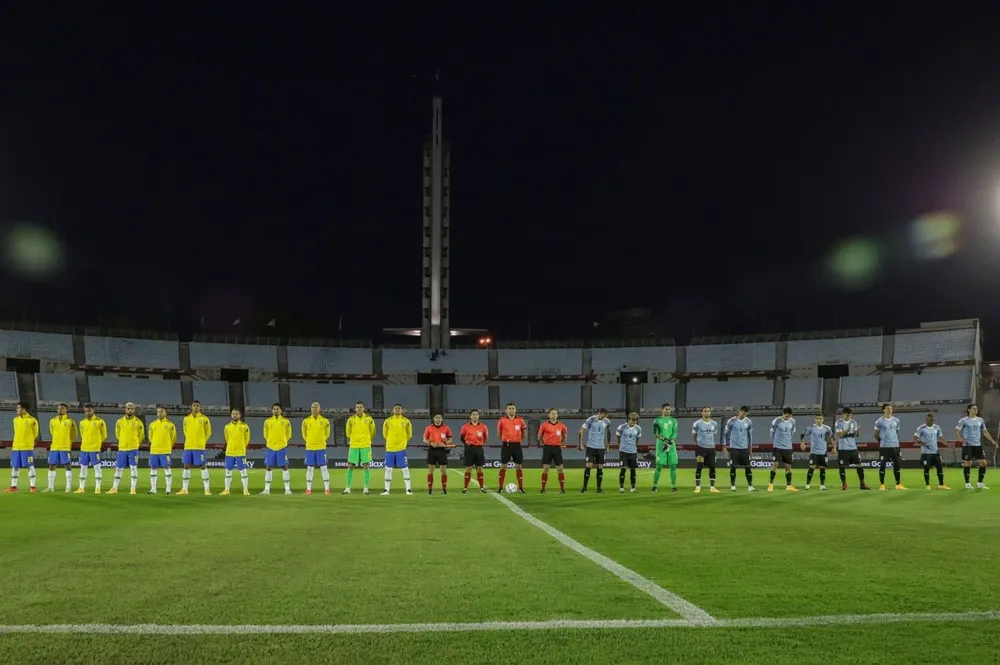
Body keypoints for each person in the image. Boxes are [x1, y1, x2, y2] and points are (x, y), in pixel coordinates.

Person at [956, 404, 996, 490]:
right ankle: (967, 483)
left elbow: (985, 431)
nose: (975, 410)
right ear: (969, 410)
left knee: (983, 463)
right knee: (968, 463)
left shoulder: (980, 420)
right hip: (968, 445)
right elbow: (957, 430)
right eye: (973, 408)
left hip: (977, 445)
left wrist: (992, 440)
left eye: (976, 408)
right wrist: (959, 437)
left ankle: (980, 483)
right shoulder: (964, 420)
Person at [109, 402, 144, 495]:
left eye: (132, 409)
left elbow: (141, 436)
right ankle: (114, 488)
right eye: (128, 408)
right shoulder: (119, 421)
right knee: (119, 468)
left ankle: (133, 489)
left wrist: (135, 443)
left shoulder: (138, 422)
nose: (130, 410)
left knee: (133, 468)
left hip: (133, 449)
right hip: (122, 448)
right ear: (125, 409)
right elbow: (118, 434)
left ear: (134, 410)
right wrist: (124, 442)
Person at [180, 400, 212, 495]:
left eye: (197, 405)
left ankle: (207, 489)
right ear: (191, 407)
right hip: (188, 446)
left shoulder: (204, 419)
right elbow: (185, 431)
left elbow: (208, 432)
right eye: (194, 405)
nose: (196, 407)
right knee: (186, 466)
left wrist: (201, 441)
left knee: (203, 466)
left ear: (200, 407)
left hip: (199, 447)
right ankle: (184, 489)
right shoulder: (186, 419)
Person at [6, 402, 39, 493]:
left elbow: (35, 433)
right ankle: (13, 486)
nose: (16, 410)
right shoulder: (15, 420)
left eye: (18, 408)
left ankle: (32, 486)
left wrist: (29, 442)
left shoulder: (32, 420)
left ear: (24, 409)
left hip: (27, 447)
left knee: (30, 466)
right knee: (15, 466)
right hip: (16, 447)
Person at [381, 404, 413, 495]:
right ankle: (386, 490)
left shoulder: (406, 421)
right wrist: (391, 441)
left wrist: (402, 442)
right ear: (393, 410)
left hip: (401, 449)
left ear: (402, 410)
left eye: (399, 408)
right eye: (396, 408)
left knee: (405, 469)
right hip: (390, 448)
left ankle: (408, 489)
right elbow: (385, 434)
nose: (397, 410)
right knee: (388, 469)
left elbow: (409, 434)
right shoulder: (388, 421)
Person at [344, 401, 376, 495]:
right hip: (354, 445)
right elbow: (348, 432)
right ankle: (347, 488)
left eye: (360, 407)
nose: (359, 409)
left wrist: (366, 439)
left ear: (364, 408)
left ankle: (366, 489)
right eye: (357, 407)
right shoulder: (351, 419)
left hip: (365, 445)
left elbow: (372, 431)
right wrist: (354, 439)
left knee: (366, 465)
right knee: (350, 466)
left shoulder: (369, 419)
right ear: (355, 409)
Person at [834, 407, 870, 491]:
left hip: (853, 448)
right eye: (847, 415)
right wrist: (847, 429)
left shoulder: (854, 422)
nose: (849, 417)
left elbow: (856, 435)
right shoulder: (839, 423)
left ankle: (862, 484)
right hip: (843, 448)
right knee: (842, 466)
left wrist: (858, 432)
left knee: (859, 465)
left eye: (850, 415)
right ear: (843, 414)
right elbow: (840, 435)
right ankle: (844, 484)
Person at [75, 405, 107, 494]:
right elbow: (82, 434)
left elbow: (104, 435)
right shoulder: (82, 422)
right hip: (84, 448)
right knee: (83, 468)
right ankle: (81, 488)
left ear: (93, 411)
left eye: (89, 410)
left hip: (95, 449)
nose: (87, 412)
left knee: (97, 468)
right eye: (86, 411)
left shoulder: (100, 421)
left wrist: (97, 443)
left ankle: (97, 488)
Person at [261, 403, 292, 495]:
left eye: (277, 409)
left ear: (281, 410)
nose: (276, 410)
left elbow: (289, 434)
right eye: (274, 409)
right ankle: (266, 490)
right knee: (269, 467)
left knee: (284, 467)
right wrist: (271, 441)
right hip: (270, 447)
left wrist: (282, 442)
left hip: (281, 447)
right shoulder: (267, 421)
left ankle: (287, 489)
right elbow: (265, 434)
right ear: (272, 410)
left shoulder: (286, 421)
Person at [46, 403, 77, 493]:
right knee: (52, 465)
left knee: (67, 465)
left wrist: (67, 442)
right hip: (54, 447)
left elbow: (74, 434)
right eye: (58, 408)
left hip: (65, 447)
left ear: (66, 410)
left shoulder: (70, 421)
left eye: (62, 408)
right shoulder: (52, 420)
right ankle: (50, 487)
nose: (60, 410)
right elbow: (52, 432)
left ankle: (68, 487)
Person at [723, 406, 755, 492]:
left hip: (744, 448)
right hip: (734, 448)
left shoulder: (748, 422)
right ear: (739, 411)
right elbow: (725, 434)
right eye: (743, 413)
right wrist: (724, 446)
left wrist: (750, 449)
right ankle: (733, 486)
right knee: (733, 467)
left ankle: (750, 486)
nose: (744, 415)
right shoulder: (731, 421)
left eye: (746, 414)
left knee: (748, 467)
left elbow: (750, 436)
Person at [497, 403, 527, 493]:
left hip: (517, 445)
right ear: (506, 410)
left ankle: (521, 488)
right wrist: (505, 440)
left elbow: (524, 433)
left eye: (513, 408)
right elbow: (499, 433)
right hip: (506, 445)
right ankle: (500, 487)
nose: (511, 410)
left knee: (519, 467)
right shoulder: (502, 420)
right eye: (509, 408)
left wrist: (518, 440)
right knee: (503, 467)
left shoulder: (520, 420)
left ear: (515, 410)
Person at [579, 408, 611, 493]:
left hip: (601, 448)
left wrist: (608, 445)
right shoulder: (591, 419)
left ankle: (599, 488)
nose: (604, 417)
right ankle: (584, 488)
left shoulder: (607, 421)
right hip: (591, 447)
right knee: (589, 465)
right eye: (603, 415)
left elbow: (609, 433)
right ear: (599, 413)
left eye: (605, 416)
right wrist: (581, 443)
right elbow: (582, 430)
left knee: (600, 467)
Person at [874, 403, 905, 490]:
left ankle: (898, 484)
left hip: (895, 446)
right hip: (885, 446)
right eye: (887, 408)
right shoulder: (879, 421)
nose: (890, 410)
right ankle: (882, 484)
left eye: (891, 408)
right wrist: (882, 441)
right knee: (883, 465)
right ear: (883, 410)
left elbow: (896, 432)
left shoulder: (896, 420)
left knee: (897, 464)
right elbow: (876, 434)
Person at [302, 402, 331, 495]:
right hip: (310, 448)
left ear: (319, 409)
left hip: (321, 447)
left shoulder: (325, 421)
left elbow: (327, 434)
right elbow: (304, 434)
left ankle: (327, 489)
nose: (314, 409)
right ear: (311, 409)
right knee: (310, 468)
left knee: (324, 468)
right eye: (313, 407)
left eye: (316, 407)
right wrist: (310, 441)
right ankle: (308, 489)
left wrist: (321, 441)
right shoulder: (306, 421)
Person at [915, 413, 949, 490]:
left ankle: (941, 484)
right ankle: (927, 484)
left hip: (935, 452)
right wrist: (921, 442)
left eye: (933, 420)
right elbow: (915, 438)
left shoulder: (937, 427)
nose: (932, 421)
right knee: (927, 468)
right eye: (930, 419)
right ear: (926, 420)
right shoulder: (921, 428)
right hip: (926, 452)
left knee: (940, 468)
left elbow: (941, 438)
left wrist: (947, 444)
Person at [538, 408, 568, 494]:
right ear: (549, 415)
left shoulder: (562, 426)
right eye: (552, 414)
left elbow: (565, 437)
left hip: (557, 448)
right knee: (546, 469)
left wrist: (558, 443)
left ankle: (562, 489)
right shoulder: (544, 425)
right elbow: (539, 437)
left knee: (560, 469)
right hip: (547, 448)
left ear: (557, 415)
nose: (554, 415)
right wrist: (545, 443)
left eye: (555, 414)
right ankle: (543, 489)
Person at [147, 406, 176, 494]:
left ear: (165, 413)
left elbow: (173, 438)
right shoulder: (152, 424)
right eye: (158, 412)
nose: (159, 413)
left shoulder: (170, 424)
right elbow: (150, 437)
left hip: (165, 450)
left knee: (167, 468)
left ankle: (168, 489)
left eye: (161, 411)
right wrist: (156, 445)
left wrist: (167, 446)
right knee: (153, 468)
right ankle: (153, 489)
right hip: (154, 450)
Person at [768, 407, 798, 492]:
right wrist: (775, 443)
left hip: (788, 447)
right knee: (775, 465)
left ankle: (789, 486)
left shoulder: (793, 421)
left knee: (788, 467)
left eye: (789, 416)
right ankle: (770, 485)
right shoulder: (776, 421)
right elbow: (771, 433)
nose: (787, 418)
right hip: (777, 446)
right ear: (783, 414)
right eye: (786, 416)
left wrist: (788, 441)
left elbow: (792, 433)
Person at [800, 414, 833, 491]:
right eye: (817, 418)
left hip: (823, 452)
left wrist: (834, 447)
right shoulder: (811, 427)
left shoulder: (827, 428)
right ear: (815, 420)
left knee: (823, 468)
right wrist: (802, 443)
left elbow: (832, 438)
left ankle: (822, 486)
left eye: (820, 418)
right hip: (814, 452)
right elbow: (802, 434)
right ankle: (807, 484)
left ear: (823, 419)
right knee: (812, 468)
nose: (819, 420)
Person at [223, 409, 251, 495]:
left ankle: (245, 490)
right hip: (230, 452)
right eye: (233, 414)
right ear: (231, 415)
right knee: (228, 471)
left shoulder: (244, 426)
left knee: (243, 471)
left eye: (236, 414)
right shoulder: (227, 426)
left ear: (239, 415)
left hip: (240, 453)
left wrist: (242, 447)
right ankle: (227, 490)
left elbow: (247, 439)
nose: (234, 415)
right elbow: (227, 438)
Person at [460, 409, 488, 494]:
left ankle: (482, 488)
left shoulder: (483, 427)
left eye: (476, 414)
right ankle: (465, 488)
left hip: (479, 449)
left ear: (478, 416)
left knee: (479, 469)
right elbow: (462, 438)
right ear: (470, 416)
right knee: (468, 469)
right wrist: (468, 444)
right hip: (469, 449)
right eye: (473, 414)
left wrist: (479, 444)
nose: (475, 416)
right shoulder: (465, 427)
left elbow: (485, 438)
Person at [652, 403, 678, 493]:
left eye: (669, 409)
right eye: (666, 409)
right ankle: (655, 486)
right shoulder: (657, 420)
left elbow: (674, 432)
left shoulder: (674, 420)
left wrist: (671, 440)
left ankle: (674, 486)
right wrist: (665, 440)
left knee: (673, 466)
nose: (668, 411)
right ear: (662, 410)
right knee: (659, 466)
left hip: (671, 445)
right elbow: (656, 433)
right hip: (661, 445)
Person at [424, 413, 453, 494]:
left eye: (439, 417)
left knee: (443, 471)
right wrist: (430, 443)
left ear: (442, 419)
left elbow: (450, 439)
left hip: (442, 450)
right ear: (434, 419)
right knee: (431, 470)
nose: (438, 419)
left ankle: (444, 489)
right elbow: (424, 439)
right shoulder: (429, 428)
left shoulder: (446, 428)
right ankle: (430, 489)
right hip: (432, 450)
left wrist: (445, 443)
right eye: (436, 417)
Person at [692, 406, 719, 494]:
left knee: (712, 467)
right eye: (705, 411)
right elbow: (694, 435)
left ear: (710, 413)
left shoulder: (714, 424)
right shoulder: (697, 424)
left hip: (711, 448)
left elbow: (714, 434)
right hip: (701, 447)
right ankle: (697, 487)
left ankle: (712, 487)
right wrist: (699, 443)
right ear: (702, 413)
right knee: (699, 467)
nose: (707, 412)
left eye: (708, 411)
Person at [616, 412, 642, 493]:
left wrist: (635, 446)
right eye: (632, 421)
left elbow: (638, 438)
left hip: (633, 452)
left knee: (633, 470)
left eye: (635, 421)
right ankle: (621, 487)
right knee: (623, 469)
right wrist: (620, 445)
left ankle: (633, 488)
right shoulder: (622, 427)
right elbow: (617, 436)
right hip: (623, 451)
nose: (634, 422)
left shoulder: (638, 428)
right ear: (628, 419)